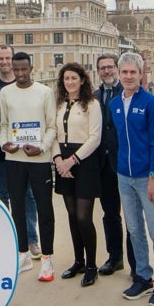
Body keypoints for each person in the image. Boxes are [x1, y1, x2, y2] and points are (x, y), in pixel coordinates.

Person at [109, 52, 154, 306]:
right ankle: (143, 277)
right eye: (124, 72)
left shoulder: (151, 103)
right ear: (119, 73)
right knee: (134, 230)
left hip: (148, 177)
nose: (128, 76)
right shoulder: (113, 104)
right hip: (124, 176)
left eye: (133, 72)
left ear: (141, 74)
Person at [0, 52, 57, 281]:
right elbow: (4, 124)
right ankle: (22, 253)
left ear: (31, 68)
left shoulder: (45, 92)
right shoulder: (5, 92)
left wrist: (42, 148)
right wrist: (4, 144)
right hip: (14, 160)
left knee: (44, 209)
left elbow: (52, 126)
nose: (20, 74)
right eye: (16, 70)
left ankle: (47, 259)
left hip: (39, 161)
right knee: (18, 208)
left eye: (24, 69)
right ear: (12, 69)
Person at [52, 63, 102, 287]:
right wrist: (58, 161)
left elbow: (95, 138)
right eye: (66, 79)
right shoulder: (59, 104)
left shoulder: (92, 104)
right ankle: (79, 261)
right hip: (63, 162)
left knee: (83, 217)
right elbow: (52, 133)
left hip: (84, 162)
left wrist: (73, 161)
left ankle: (92, 266)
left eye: (74, 78)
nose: (70, 82)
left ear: (82, 80)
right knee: (72, 216)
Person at [0, 44, 42, 258]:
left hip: (28, 152)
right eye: (1, 58)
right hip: (2, 151)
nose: (5, 62)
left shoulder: (30, 86)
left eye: (8, 58)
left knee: (28, 196)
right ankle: (6, 237)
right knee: (2, 193)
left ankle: (31, 239)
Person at [94, 53, 134, 278]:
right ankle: (115, 258)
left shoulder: (128, 92)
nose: (107, 71)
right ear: (98, 71)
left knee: (131, 217)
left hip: (125, 163)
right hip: (103, 164)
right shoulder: (95, 96)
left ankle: (135, 263)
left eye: (110, 67)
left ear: (117, 69)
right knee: (110, 214)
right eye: (103, 68)